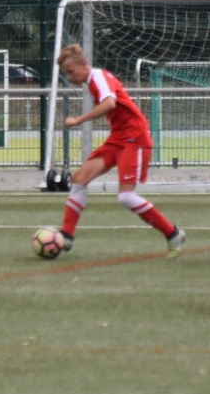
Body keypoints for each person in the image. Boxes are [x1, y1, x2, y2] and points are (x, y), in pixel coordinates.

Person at [55, 44, 186, 258]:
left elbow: (109, 104)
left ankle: (173, 234)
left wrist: (79, 120)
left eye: (71, 71)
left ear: (84, 64)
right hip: (118, 138)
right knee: (79, 179)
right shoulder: (93, 80)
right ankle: (66, 235)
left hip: (134, 137)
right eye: (66, 74)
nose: (69, 77)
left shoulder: (98, 77)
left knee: (126, 197)